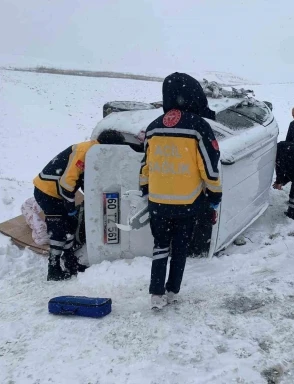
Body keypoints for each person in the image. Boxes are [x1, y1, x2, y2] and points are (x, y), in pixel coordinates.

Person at [139, 72, 222, 310]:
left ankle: (156, 294)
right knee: (181, 248)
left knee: (160, 246)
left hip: (157, 201)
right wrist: (215, 195)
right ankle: (172, 291)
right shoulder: (198, 126)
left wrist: (146, 190)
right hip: (187, 202)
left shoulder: (153, 127)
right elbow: (208, 167)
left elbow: (145, 164)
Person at [33, 129, 125, 281]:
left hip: (56, 192)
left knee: (70, 226)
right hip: (47, 191)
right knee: (58, 230)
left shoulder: (94, 151)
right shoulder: (85, 151)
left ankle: (70, 263)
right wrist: (70, 207)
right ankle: (53, 269)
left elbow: (84, 179)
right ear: (108, 146)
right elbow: (67, 182)